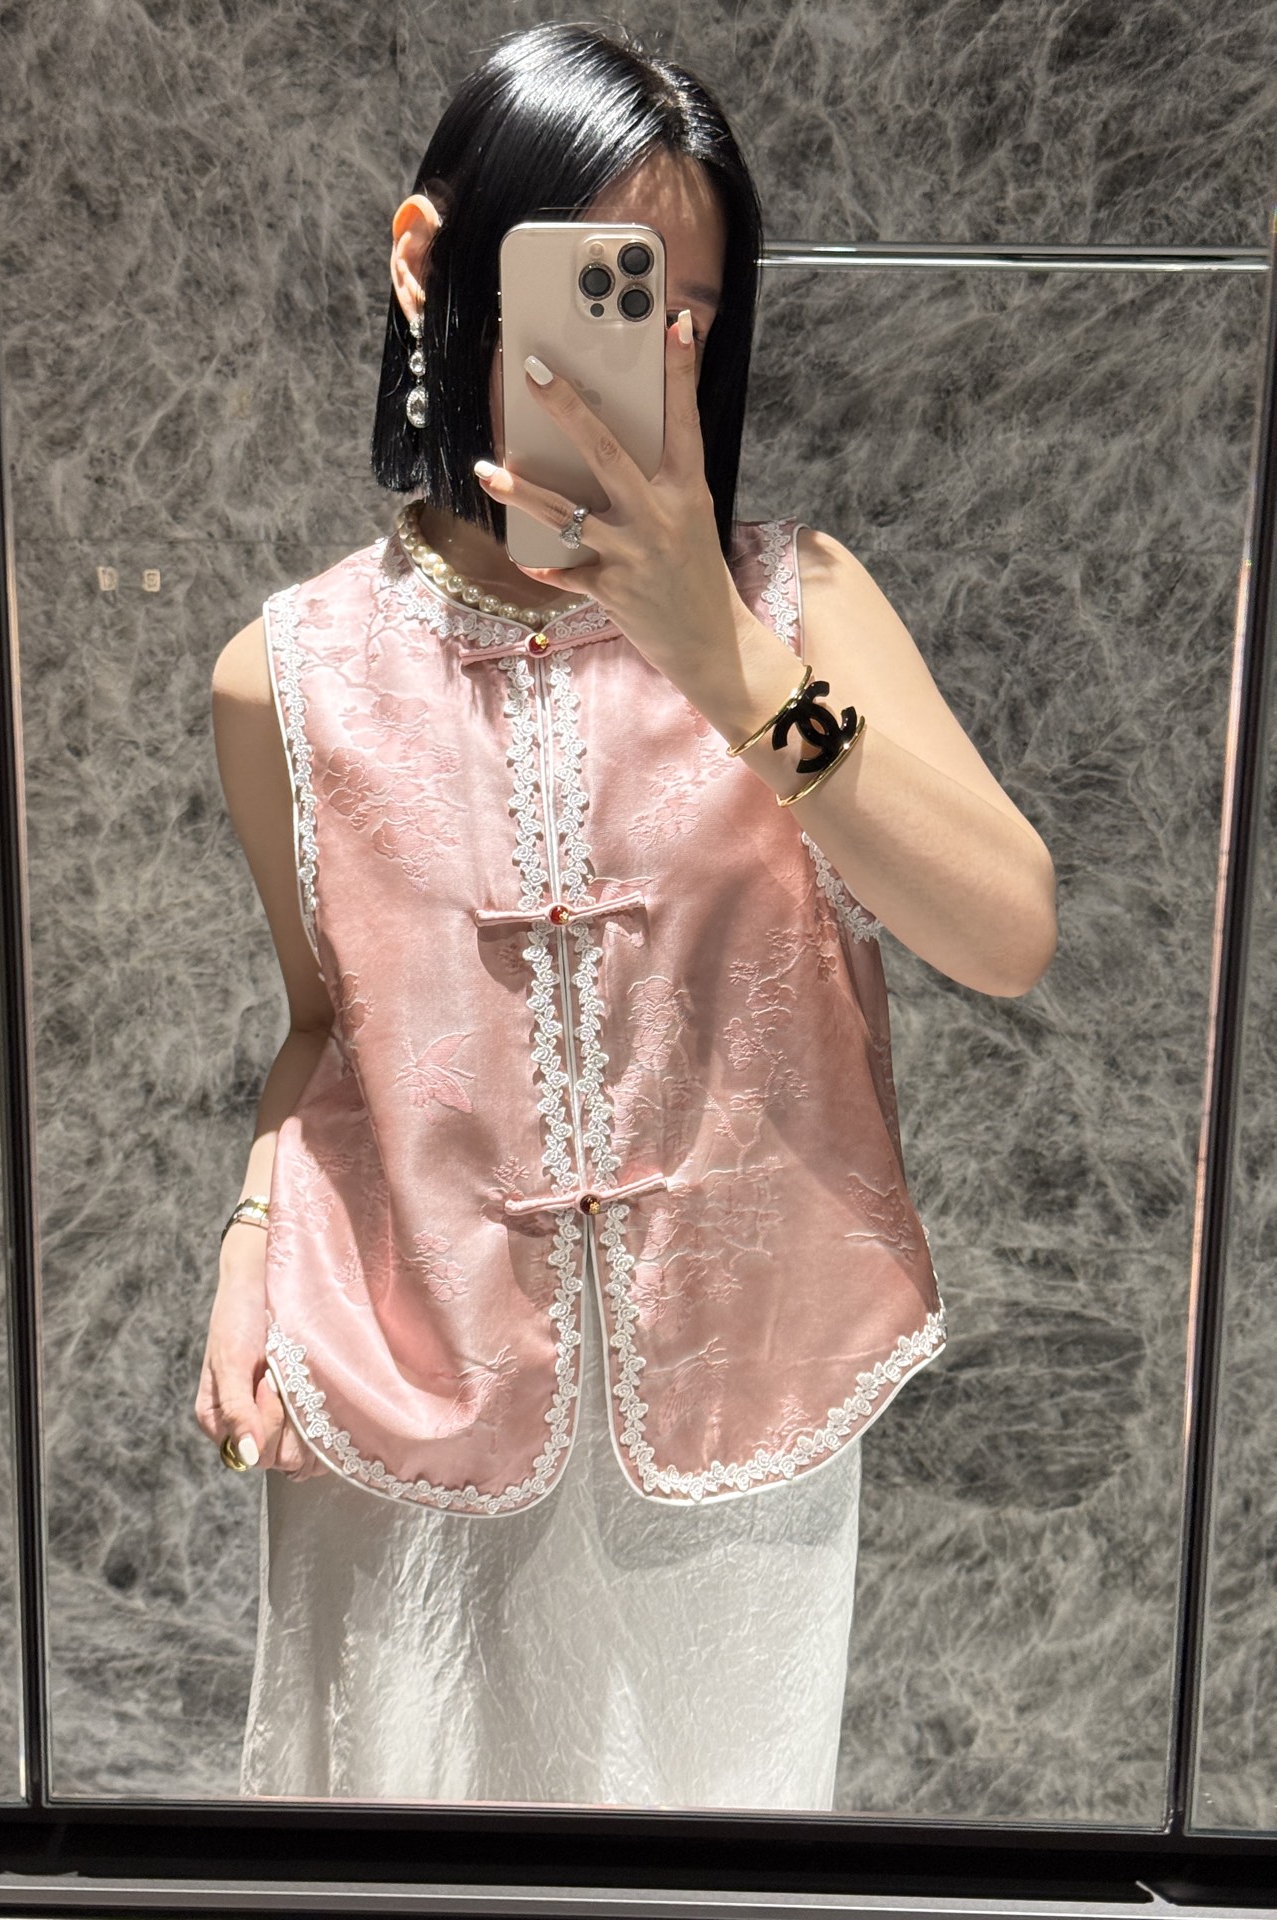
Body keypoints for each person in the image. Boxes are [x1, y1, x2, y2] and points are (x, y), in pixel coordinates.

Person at [195, 22, 1057, 1810]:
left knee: (710, 1874)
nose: (648, 353)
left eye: (687, 311)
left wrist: (724, 660)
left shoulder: (795, 614)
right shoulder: (287, 679)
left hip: (736, 1438)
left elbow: (1003, 929)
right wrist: (252, 1234)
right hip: (401, 1422)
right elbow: (325, 1031)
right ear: (430, 265)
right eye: (598, 291)